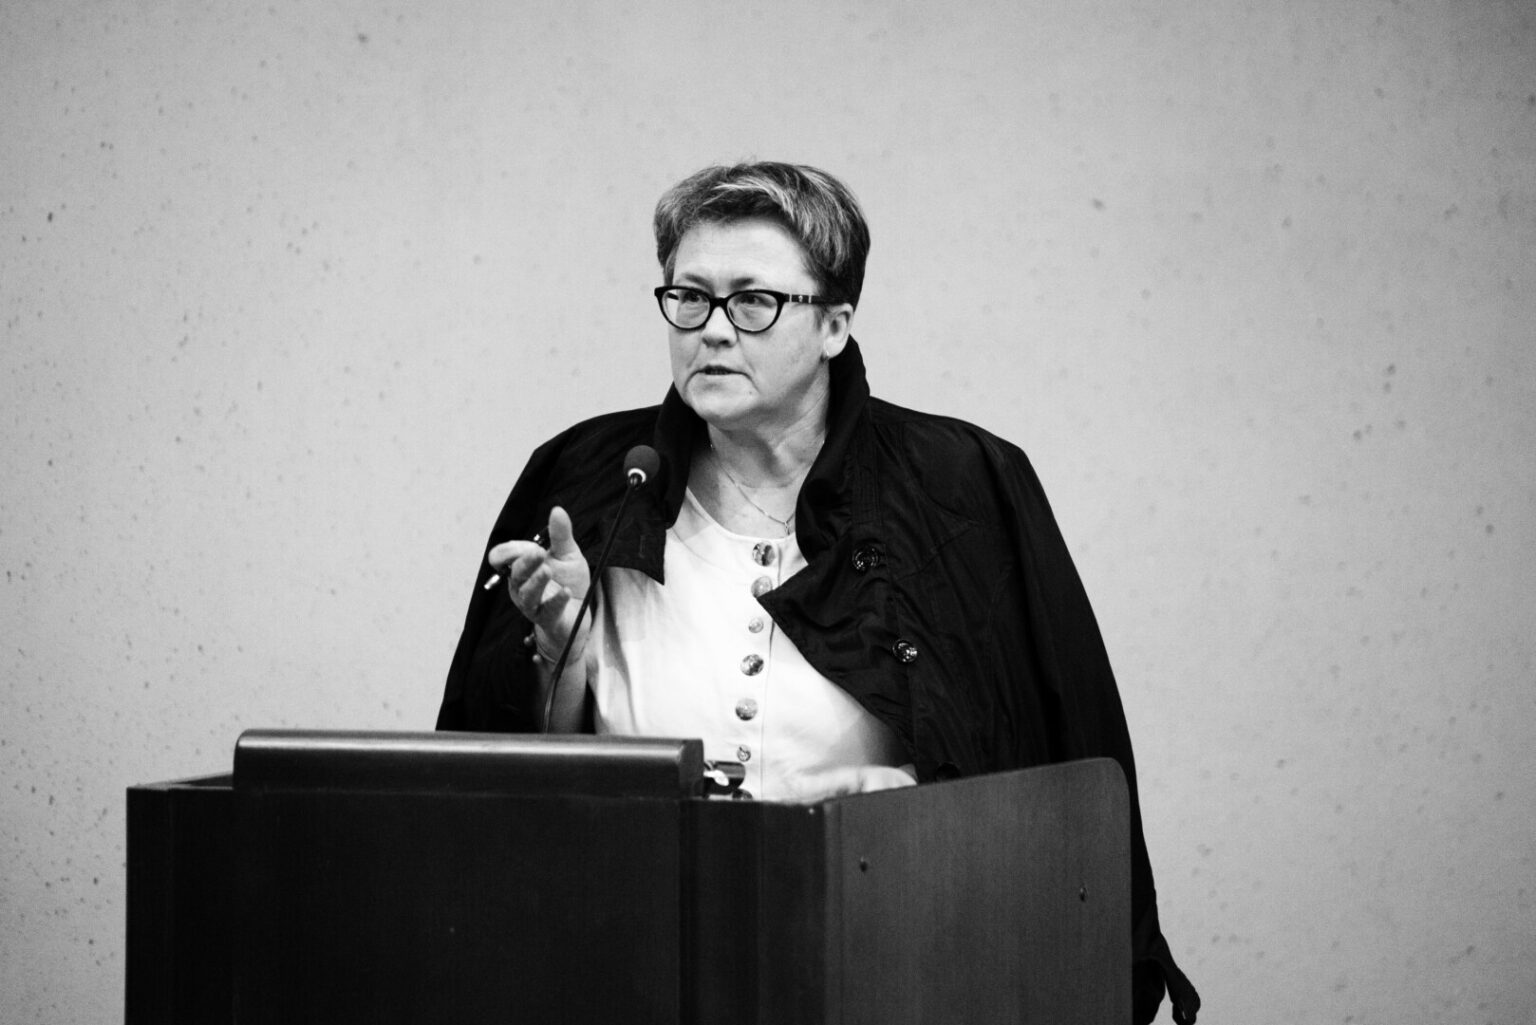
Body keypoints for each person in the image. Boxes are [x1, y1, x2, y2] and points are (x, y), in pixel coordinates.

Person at [437, 161, 1199, 1024]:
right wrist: (558, 649)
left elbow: (1056, 749)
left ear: (835, 323)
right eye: (689, 296)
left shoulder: (960, 486)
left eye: (753, 301)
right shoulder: (591, 477)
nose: (712, 330)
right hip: (638, 955)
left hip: (898, 957)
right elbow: (496, 790)